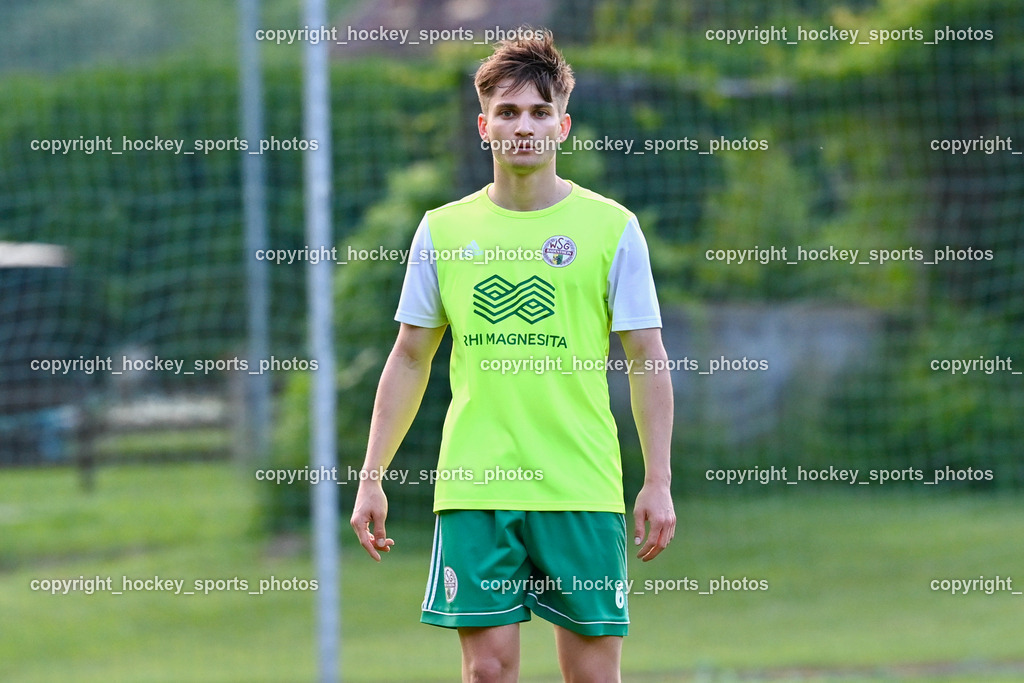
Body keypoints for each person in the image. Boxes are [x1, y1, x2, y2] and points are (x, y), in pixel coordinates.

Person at [350, 29, 675, 683]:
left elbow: (647, 357)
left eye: (537, 111)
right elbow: (410, 356)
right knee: (489, 670)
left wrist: (658, 480)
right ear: (483, 125)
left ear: (563, 124)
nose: (522, 126)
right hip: (477, 484)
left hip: (579, 483)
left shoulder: (613, 228)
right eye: (507, 111)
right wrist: (371, 473)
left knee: (591, 675)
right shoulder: (442, 230)